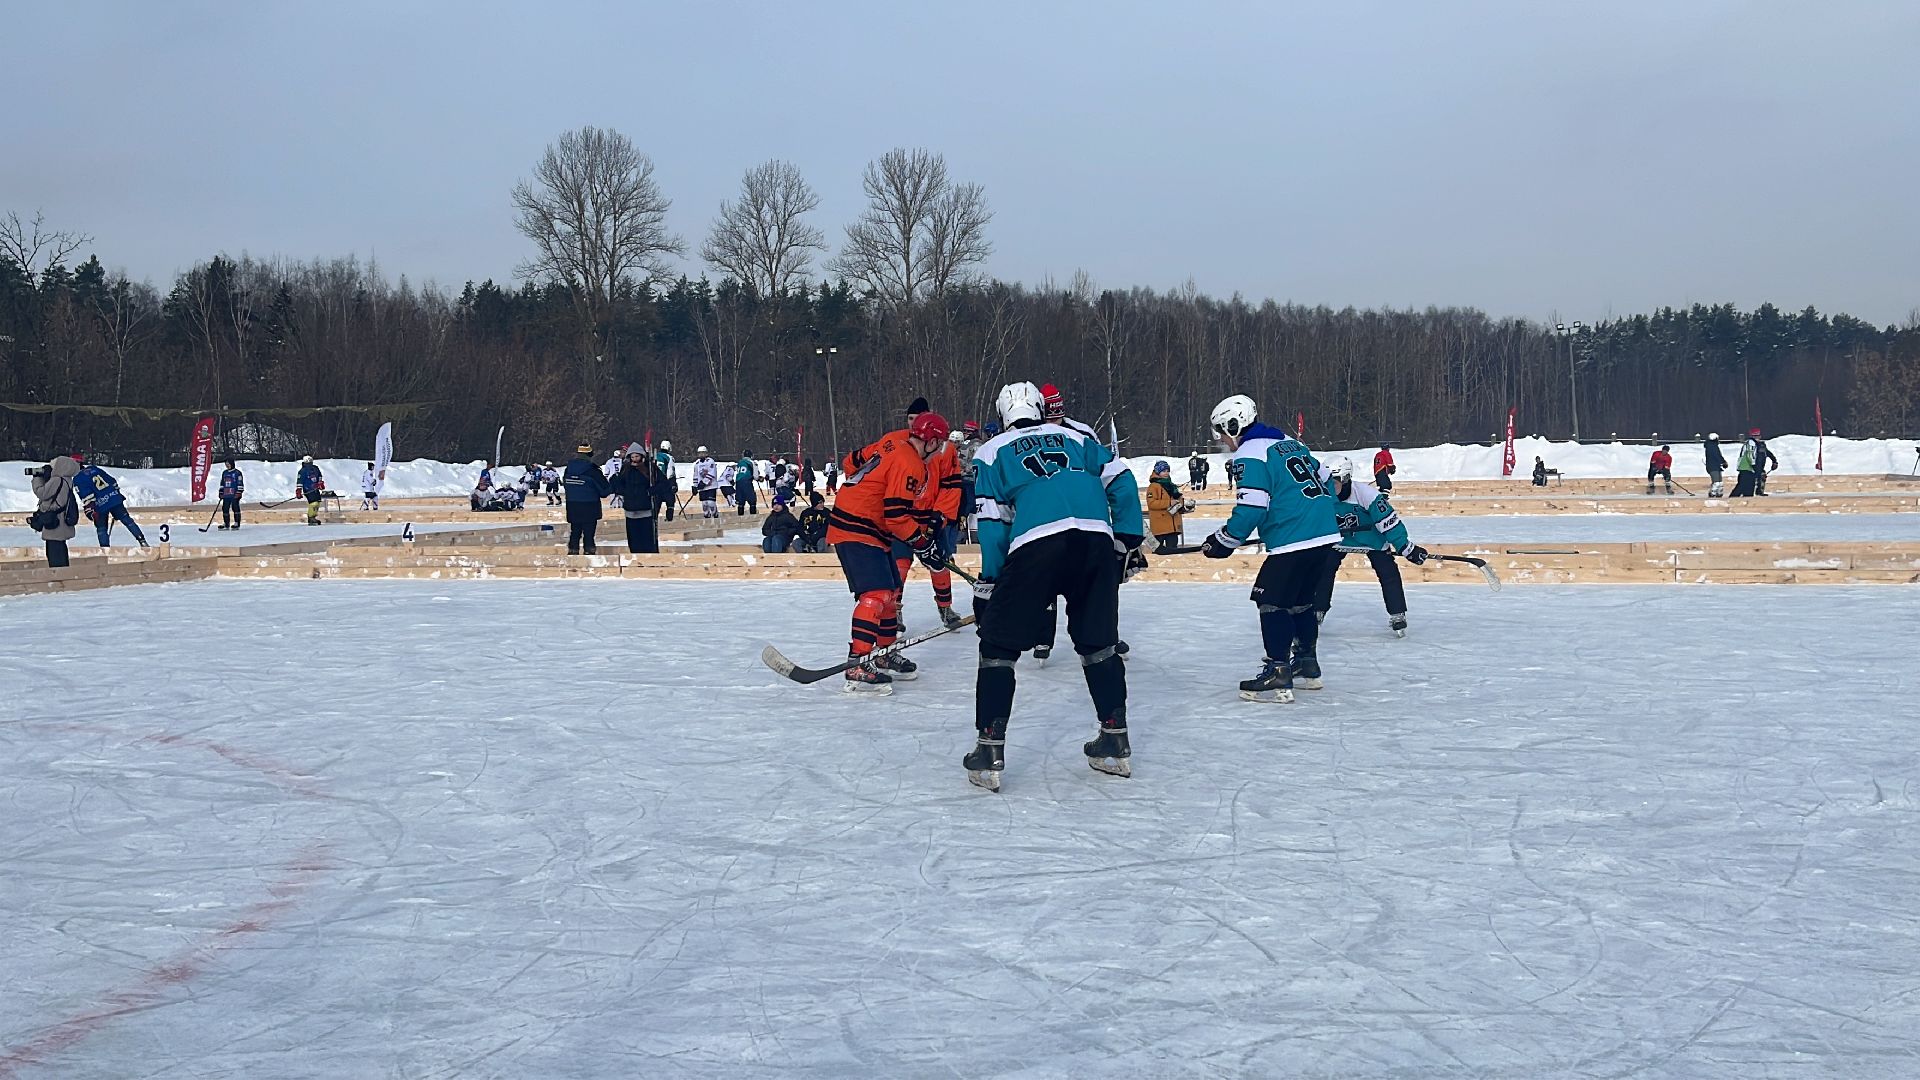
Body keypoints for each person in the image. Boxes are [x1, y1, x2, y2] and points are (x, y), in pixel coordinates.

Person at [965, 381, 1145, 792]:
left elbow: (993, 522)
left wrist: (989, 584)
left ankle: (989, 750)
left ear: (1003, 415)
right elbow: (1121, 480)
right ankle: (1114, 741)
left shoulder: (990, 451)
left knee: (997, 647)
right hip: (1094, 542)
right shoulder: (1076, 437)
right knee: (1099, 644)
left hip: (1037, 544)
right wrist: (1126, 539)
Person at [1199, 394, 1342, 703]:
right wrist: (1321, 513)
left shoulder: (1250, 453)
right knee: (1301, 603)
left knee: (1271, 602)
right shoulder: (1290, 443)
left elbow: (1252, 507)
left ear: (1233, 425)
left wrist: (1225, 539)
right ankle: (1306, 663)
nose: (1221, 440)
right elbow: (1327, 478)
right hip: (1323, 536)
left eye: (1221, 432)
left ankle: (1278, 669)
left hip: (1294, 538)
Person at [825, 410, 951, 695]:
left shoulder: (894, 439)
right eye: (940, 444)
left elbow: (850, 462)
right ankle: (857, 663)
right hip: (857, 528)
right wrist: (923, 544)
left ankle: (884, 653)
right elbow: (896, 517)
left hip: (868, 526)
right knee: (877, 594)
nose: (939, 451)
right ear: (931, 441)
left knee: (892, 592)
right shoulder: (912, 464)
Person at [1311, 457, 1430, 638]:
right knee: (1323, 569)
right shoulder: (1321, 495)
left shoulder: (1367, 495)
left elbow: (1389, 522)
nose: (1330, 486)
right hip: (1339, 539)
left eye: (1334, 482)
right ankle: (1317, 609)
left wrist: (1407, 548)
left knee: (1388, 571)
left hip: (1372, 539)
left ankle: (1397, 613)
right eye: (1326, 481)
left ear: (1346, 479)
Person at [73, 458, 150, 548]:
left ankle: (105, 548)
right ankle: (142, 541)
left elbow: (86, 496)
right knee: (127, 519)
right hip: (114, 498)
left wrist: (90, 509)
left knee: (101, 528)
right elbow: (111, 481)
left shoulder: (77, 478)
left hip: (99, 505)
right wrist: (116, 494)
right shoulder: (94, 468)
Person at [607, 443, 661, 553]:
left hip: (646, 511)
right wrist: (617, 485)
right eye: (632, 457)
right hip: (631, 511)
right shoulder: (626, 469)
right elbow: (620, 486)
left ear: (642, 456)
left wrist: (651, 491)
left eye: (637, 456)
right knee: (634, 541)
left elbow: (662, 484)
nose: (635, 459)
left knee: (647, 541)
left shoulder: (649, 468)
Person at [29, 456, 81, 567]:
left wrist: (37, 478)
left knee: (54, 555)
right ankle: (64, 574)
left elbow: (42, 493)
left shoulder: (57, 480)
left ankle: (59, 576)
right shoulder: (67, 479)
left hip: (55, 523)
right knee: (61, 551)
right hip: (62, 520)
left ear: (60, 467)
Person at [562, 443, 612, 554]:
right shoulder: (593, 471)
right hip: (590, 506)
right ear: (590, 455)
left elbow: (566, 485)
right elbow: (604, 491)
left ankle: (572, 552)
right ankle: (589, 554)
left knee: (575, 531)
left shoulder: (568, 469)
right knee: (589, 534)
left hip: (573, 505)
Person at [1146, 460, 1194, 553]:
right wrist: (1168, 503)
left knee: (1173, 553)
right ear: (1157, 471)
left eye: (1168, 471)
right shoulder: (1153, 486)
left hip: (1173, 527)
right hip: (1160, 526)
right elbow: (1151, 503)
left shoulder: (1171, 486)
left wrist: (1183, 505)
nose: (1166, 473)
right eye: (1163, 471)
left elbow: (1177, 500)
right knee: (1158, 553)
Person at [295, 455, 326, 526]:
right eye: (308, 462)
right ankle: (310, 517)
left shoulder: (315, 468)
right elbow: (300, 481)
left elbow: (319, 476)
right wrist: (299, 490)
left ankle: (313, 516)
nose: (310, 463)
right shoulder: (302, 471)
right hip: (308, 490)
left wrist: (320, 483)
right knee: (313, 503)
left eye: (311, 462)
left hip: (315, 489)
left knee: (317, 502)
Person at [692, 447, 721, 519]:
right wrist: (695, 486)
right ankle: (707, 516)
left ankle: (715, 514)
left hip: (711, 486)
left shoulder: (710, 461)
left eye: (703, 453)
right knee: (704, 504)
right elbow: (696, 475)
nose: (701, 454)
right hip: (702, 488)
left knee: (711, 503)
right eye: (700, 453)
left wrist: (704, 482)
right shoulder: (697, 464)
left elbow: (712, 473)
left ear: (706, 453)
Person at [1732, 429, 1761, 497]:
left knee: (1747, 485)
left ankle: (1745, 497)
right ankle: (1734, 498)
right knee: (1743, 485)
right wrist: (1754, 465)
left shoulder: (1750, 443)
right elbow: (1750, 455)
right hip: (1747, 467)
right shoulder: (1751, 443)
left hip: (1746, 467)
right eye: (1757, 436)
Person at [218, 459, 245, 529]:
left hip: (234, 494)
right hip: (226, 494)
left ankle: (237, 523)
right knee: (225, 508)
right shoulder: (225, 473)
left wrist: (239, 492)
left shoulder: (237, 473)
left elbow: (240, 482)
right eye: (226, 464)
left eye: (228, 464)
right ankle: (226, 523)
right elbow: (222, 483)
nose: (227, 466)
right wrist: (221, 492)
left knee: (235, 507)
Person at [654, 441, 677, 520]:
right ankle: (669, 519)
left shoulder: (655, 456)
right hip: (665, 482)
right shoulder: (669, 457)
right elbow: (670, 472)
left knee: (656, 503)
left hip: (655, 483)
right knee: (670, 500)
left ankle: (654, 519)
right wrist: (673, 484)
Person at [1704, 433, 1728, 497]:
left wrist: (1722, 462)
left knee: (1719, 482)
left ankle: (1718, 493)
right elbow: (1717, 456)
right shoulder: (1712, 446)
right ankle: (1713, 493)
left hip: (1715, 466)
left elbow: (1717, 456)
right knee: (1717, 482)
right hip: (1713, 466)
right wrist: (1723, 462)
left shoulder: (1711, 446)